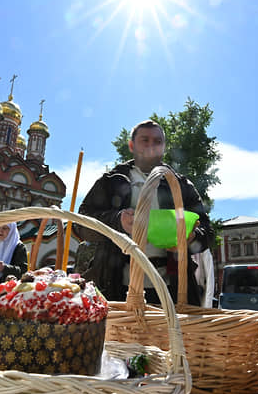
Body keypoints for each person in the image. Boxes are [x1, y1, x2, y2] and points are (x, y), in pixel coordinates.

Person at [78, 119, 213, 304]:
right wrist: (118, 221)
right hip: (116, 287)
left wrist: (190, 238)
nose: (152, 146)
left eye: (158, 142)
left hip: (173, 291)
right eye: (145, 140)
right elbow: (81, 224)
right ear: (132, 145)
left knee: (172, 334)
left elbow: (207, 231)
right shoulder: (111, 181)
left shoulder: (181, 185)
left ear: (164, 147)